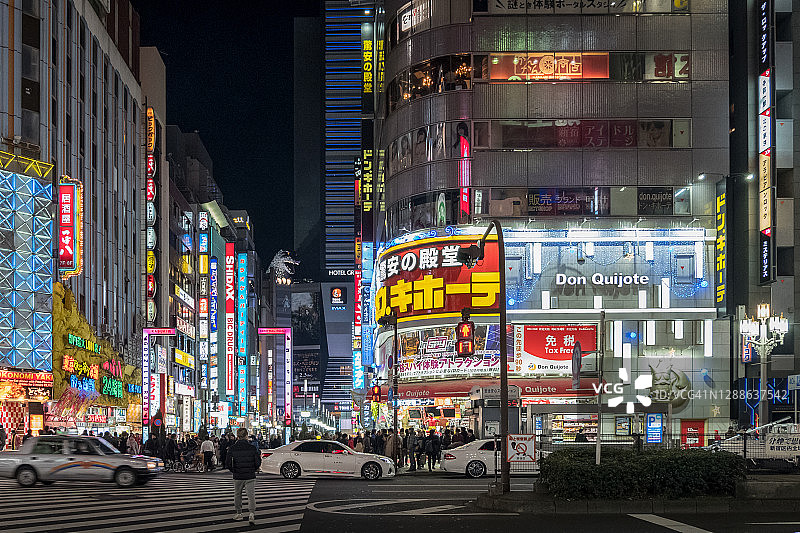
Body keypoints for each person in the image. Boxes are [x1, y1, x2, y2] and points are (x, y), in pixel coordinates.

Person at [226, 428, 261, 524]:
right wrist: (253, 469)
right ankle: (252, 514)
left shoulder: (233, 448)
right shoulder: (252, 448)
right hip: (250, 475)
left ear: (237, 436)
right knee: (251, 496)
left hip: (238, 475)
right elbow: (258, 462)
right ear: (246, 436)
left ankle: (239, 513)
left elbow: (228, 463)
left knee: (237, 494)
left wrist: (234, 470)